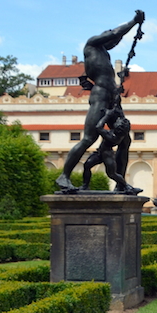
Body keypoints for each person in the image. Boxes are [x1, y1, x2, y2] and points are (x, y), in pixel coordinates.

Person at [56, 10, 144, 192]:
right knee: (89, 138)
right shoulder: (91, 44)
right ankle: (64, 176)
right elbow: (114, 34)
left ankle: (121, 185)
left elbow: (115, 39)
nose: (113, 42)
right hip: (100, 96)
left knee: (124, 139)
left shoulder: (105, 54)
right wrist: (134, 22)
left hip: (112, 98)